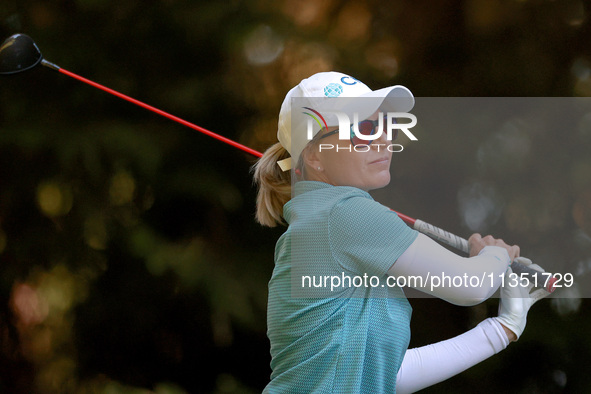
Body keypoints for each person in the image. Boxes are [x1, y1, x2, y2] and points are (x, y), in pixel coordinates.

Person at [253, 71, 549, 393]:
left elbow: (384, 375)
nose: (384, 139)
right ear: (314, 156)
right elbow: (471, 284)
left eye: (386, 125)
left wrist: (500, 330)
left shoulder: (324, 221)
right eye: (364, 129)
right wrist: (496, 255)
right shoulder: (345, 213)